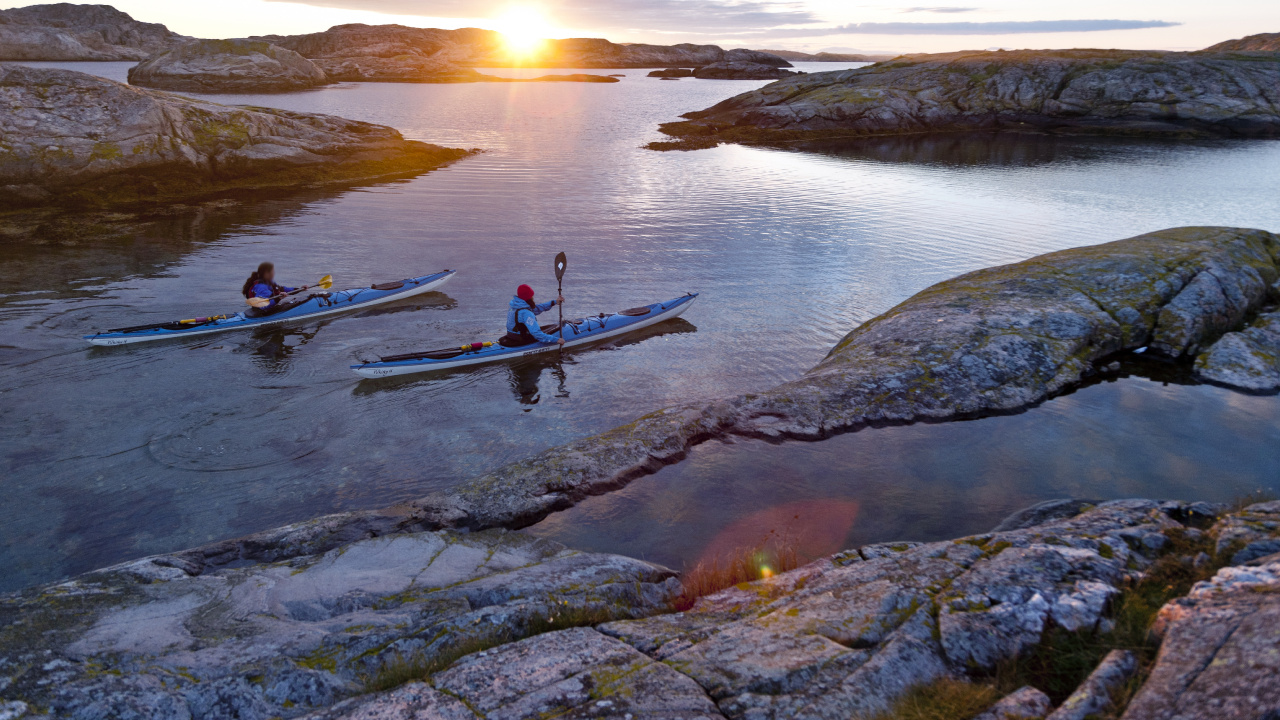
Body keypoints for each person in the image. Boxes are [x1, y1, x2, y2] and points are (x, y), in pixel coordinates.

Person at [241, 262, 309, 316]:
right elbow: (263, 306)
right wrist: (278, 298)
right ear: (267, 273)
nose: (274, 273)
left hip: (268, 308)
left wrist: (300, 289)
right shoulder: (261, 287)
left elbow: (283, 289)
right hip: (262, 312)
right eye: (273, 271)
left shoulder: (269, 282)